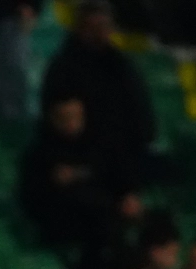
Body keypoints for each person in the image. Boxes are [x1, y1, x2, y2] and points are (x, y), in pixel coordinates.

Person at [39, 1, 154, 187]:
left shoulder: (121, 67)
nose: (99, 33)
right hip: (77, 161)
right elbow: (61, 124)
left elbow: (140, 118)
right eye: (92, 27)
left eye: (103, 26)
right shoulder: (63, 70)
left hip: (121, 160)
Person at [19, 96, 137, 252]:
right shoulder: (40, 153)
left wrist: (127, 194)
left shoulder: (101, 144)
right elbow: (30, 196)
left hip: (108, 219)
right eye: (65, 118)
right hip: (64, 224)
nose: (72, 124)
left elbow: (118, 173)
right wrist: (53, 183)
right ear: (52, 118)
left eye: (77, 117)